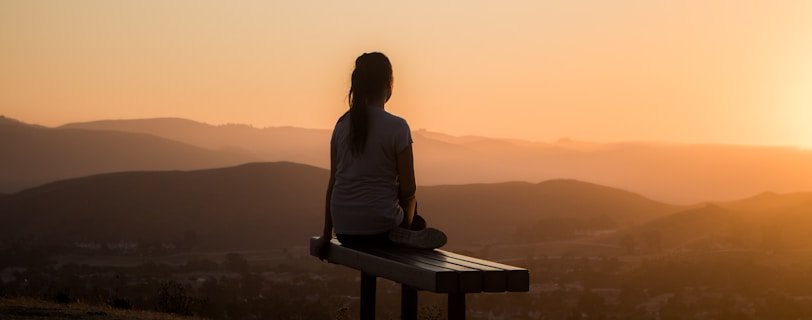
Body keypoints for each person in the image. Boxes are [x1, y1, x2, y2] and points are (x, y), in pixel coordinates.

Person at [314, 52, 446, 259]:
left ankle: (406, 231)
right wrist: (406, 220)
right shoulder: (397, 127)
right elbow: (409, 189)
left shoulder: (341, 125)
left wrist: (325, 235)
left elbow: (333, 183)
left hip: (345, 231)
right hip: (381, 229)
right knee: (416, 215)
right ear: (388, 84)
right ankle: (409, 232)